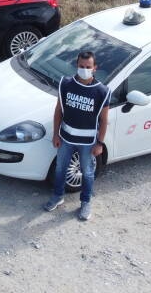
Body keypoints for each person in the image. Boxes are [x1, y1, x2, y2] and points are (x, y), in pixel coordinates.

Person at [44, 51, 111, 222]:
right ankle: (58, 196)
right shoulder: (66, 84)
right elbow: (58, 110)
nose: (84, 69)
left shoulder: (102, 92)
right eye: (82, 66)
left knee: (87, 173)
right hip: (65, 138)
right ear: (77, 65)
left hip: (88, 143)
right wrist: (56, 134)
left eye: (88, 67)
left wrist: (100, 144)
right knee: (60, 168)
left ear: (95, 68)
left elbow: (104, 121)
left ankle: (86, 202)